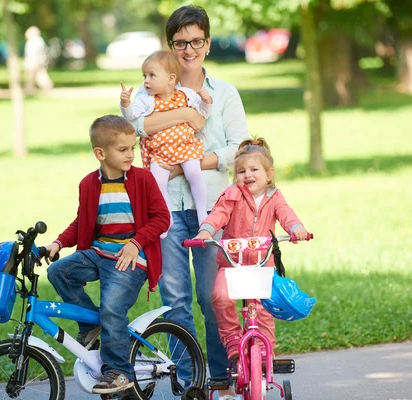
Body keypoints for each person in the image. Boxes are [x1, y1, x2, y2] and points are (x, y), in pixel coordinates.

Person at [128, 4, 249, 397]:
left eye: (196, 41)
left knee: (212, 296)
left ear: (208, 43)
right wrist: (179, 114)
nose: (189, 49)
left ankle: (219, 376)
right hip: (163, 210)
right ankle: (189, 381)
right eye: (180, 42)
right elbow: (134, 128)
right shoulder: (152, 85)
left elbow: (238, 150)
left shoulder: (224, 93)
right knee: (175, 298)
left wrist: (188, 162)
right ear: (170, 46)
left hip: (212, 205)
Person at [41, 115, 170, 394]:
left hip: (131, 257)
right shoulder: (89, 184)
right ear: (100, 153)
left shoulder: (143, 179)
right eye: (122, 150)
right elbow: (82, 221)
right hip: (98, 253)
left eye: (131, 148)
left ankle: (120, 372)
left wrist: (136, 243)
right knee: (58, 271)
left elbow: (162, 218)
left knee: (112, 308)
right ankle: (90, 325)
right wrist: (58, 243)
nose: (130, 155)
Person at [193, 138, 309, 362]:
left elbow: (286, 213)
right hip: (232, 264)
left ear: (269, 174)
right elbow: (218, 214)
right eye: (241, 171)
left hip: (261, 264)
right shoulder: (232, 194)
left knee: (263, 309)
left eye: (254, 169)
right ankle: (233, 339)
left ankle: (265, 354)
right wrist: (206, 231)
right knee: (219, 297)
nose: (247, 175)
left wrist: (296, 228)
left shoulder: (274, 197)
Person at [120, 50, 212, 235]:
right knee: (157, 182)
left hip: (185, 147)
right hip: (160, 152)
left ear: (171, 79)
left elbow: (203, 114)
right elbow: (131, 117)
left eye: (151, 75)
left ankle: (203, 214)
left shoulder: (185, 94)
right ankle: (166, 217)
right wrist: (125, 104)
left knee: (194, 173)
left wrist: (206, 102)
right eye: (144, 75)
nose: (146, 80)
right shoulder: (146, 100)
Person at [24, 26, 53, 92]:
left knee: (39, 75)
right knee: (33, 76)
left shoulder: (35, 41)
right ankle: (29, 88)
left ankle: (46, 86)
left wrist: (35, 62)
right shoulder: (37, 40)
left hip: (34, 62)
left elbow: (35, 53)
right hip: (35, 61)